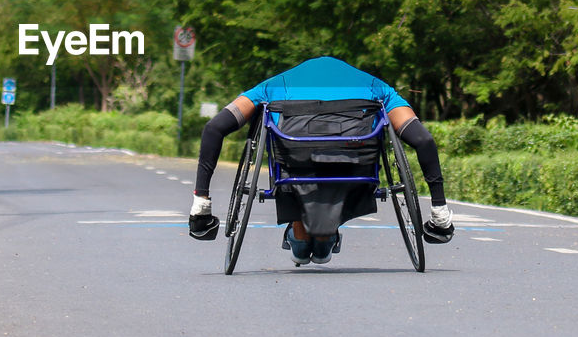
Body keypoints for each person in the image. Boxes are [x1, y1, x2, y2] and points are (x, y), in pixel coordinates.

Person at [187, 56, 453, 264]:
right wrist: (439, 210)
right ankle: (322, 236)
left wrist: (201, 203)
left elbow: (214, 129)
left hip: (294, 163)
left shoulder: (273, 86)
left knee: (302, 245)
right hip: (355, 166)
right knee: (321, 245)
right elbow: (423, 140)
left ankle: (302, 237)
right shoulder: (376, 87)